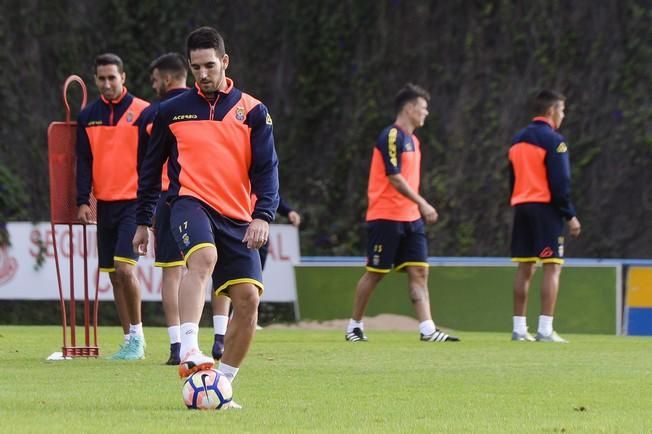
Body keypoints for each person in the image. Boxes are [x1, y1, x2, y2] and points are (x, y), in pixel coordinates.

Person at [133, 26, 279, 403]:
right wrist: (143, 220)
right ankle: (189, 348)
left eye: (209, 65)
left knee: (248, 301)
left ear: (225, 62)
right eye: (196, 67)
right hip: (189, 203)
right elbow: (150, 170)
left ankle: (221, 386)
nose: (202, 74)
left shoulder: (254, 112)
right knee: (204, 258)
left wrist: (263, 215)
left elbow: (266, 169)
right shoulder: (171, 110)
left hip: (238, 215)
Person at [345, 83, 459, 343]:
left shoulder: (415, 142)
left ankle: (428, 329)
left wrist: (416, 208)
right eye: (422, 108)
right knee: (376, 272)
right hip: (386, 216)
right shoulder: (391, 136)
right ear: (409, 109)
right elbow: (394, 177)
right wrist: (423, 203)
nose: (426, 113)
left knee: (420, 272)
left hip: (411, 219)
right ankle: (354, 326)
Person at [76, 53, 149, 359]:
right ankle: (129, 340)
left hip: (133, 203)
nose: (107, 83)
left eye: (112, 78)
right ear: (95, 80)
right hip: (104, 204)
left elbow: (152, 161)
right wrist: (82, 200)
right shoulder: (87, 116)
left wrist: (151, 204)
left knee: (125, 268)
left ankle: (139, 336)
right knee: (113, 275)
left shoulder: (143, 112)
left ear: (123, 77)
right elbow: (84, 162)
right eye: (102, 78)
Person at [508, 89, 581, 343]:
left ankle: (519, 329)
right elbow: (561, 183)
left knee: (524, 266)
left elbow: (512, 177)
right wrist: (569, 215)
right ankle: (545, 329)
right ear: (551, 111)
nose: (563, 115)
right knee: (552, 267)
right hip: (545, 209)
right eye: (562, 110)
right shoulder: (554, 140)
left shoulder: (517, 140)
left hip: (522, 206)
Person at [137, 53, 189, 365]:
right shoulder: (206, 108)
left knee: (171, 274)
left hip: (168, 199)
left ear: (167, 79)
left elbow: (146, 168)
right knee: (204, 270)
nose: (153, 85)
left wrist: (145, 214)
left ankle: (176, 347)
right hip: (206, 199)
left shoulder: (154, 113)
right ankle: (217, 340)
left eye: (155, 79)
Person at [211, 196, 300, 360]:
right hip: (230, 221)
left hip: (258, 228)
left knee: (251, 283)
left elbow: (270, 190)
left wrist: (287, 211)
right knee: (224, 281)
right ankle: (220, 335)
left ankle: (233, 326)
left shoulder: (262, 172)